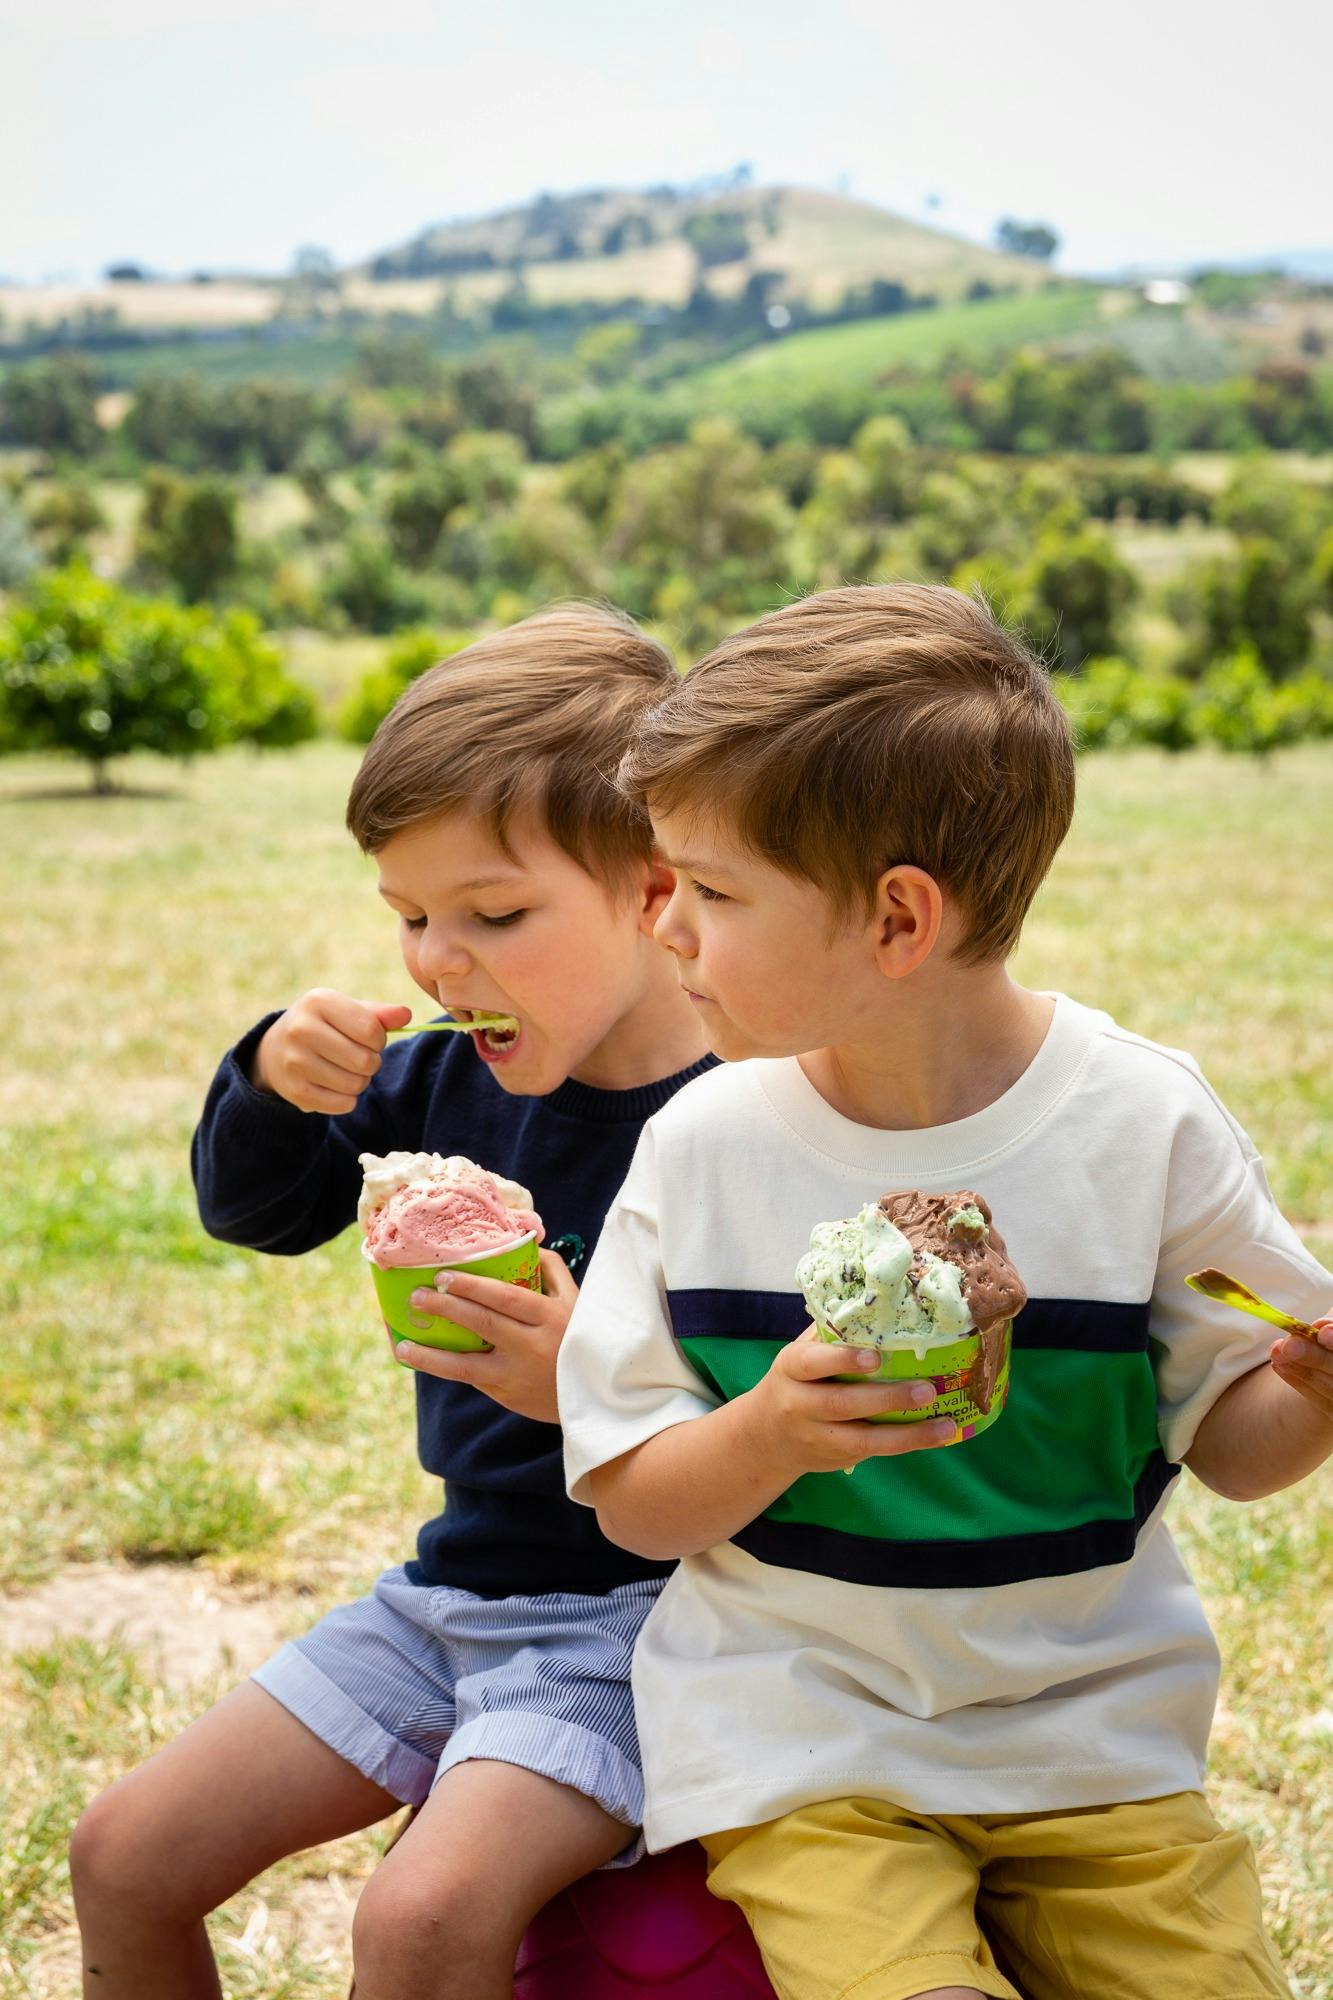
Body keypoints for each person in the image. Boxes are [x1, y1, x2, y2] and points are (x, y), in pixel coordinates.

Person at [556, 583, 1333, 2000]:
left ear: (898, 920)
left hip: (1094, 1742)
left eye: (711, 891)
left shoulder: (1143, 1127)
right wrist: (772, 1432)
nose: (663, 926)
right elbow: (634, 1500)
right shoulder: (701, 1147)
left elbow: (1231, 1449)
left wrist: (1310, 1394)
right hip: (803, 1739)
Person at [69, 604, 714, 2000]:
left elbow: (787, 1426)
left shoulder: (748, 1128)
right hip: (452, 1595)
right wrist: (266, 1082)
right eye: (410, 918)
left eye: (492, 915)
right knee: (121, 1853)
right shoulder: (437, 1086)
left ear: (658, 891)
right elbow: (259, 1210)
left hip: (646, 1628)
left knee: (416, 1922)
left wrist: (590, 1381)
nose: (436, 960)